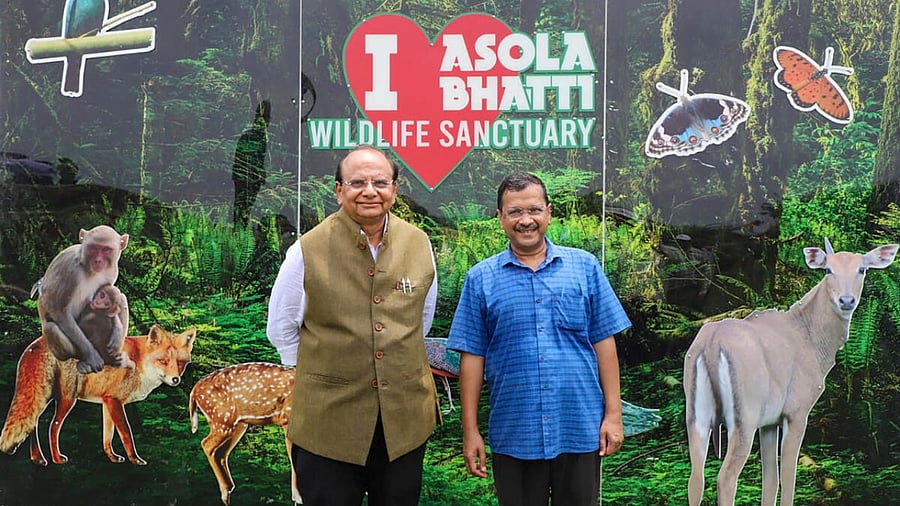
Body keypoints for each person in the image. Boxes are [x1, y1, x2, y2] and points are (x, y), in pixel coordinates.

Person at [266, 144, 440, 506]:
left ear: (394, 189)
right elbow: (282, 328)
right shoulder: (307, 250)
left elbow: (420, 321)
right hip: (328, 424)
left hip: (404, 424)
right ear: (339, 190)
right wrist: (323, 374)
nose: (369, 191)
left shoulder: (419, 243)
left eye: (380, 182)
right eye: (357, 182)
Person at [447, 172, 632, 506]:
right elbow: (472, 357)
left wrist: (613, 415)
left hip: (579, 427)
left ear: (548, 212)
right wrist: (470, 431)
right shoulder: (480, 279)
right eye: (515, 212)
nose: (526, 220)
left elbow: (604, 344)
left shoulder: (584, 267)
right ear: (500, 217)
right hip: (515, 431)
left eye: (533, 210)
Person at [232, 100, 270, 228]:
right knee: (242, 206)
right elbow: (244, 159)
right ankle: (240, 229)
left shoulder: (262, 137)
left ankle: (243, 229)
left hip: (252, 178)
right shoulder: (250, 136)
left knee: (247, 206)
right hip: (245, 178)